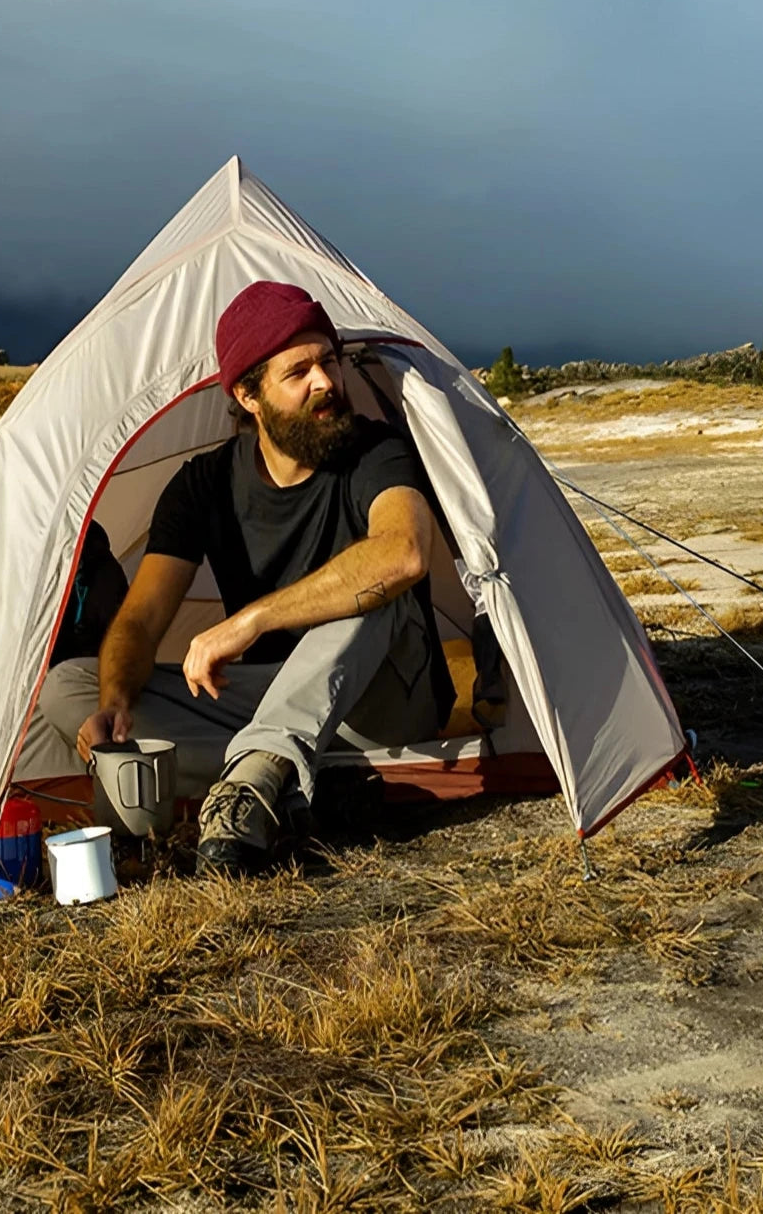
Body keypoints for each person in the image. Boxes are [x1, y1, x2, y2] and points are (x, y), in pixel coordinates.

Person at [37, 279, 454, 872]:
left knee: (374, 591)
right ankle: (290, 777)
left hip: (378, 700)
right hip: (269, 701)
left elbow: (405, 552)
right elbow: (141, 618)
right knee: (69, 686)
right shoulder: (203, 485)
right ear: (247, 395)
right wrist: (115, 701)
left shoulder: (375, 451)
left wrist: (251, 621)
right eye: (299, 371)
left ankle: (251, 782)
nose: (327, 383)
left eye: (329, 361)